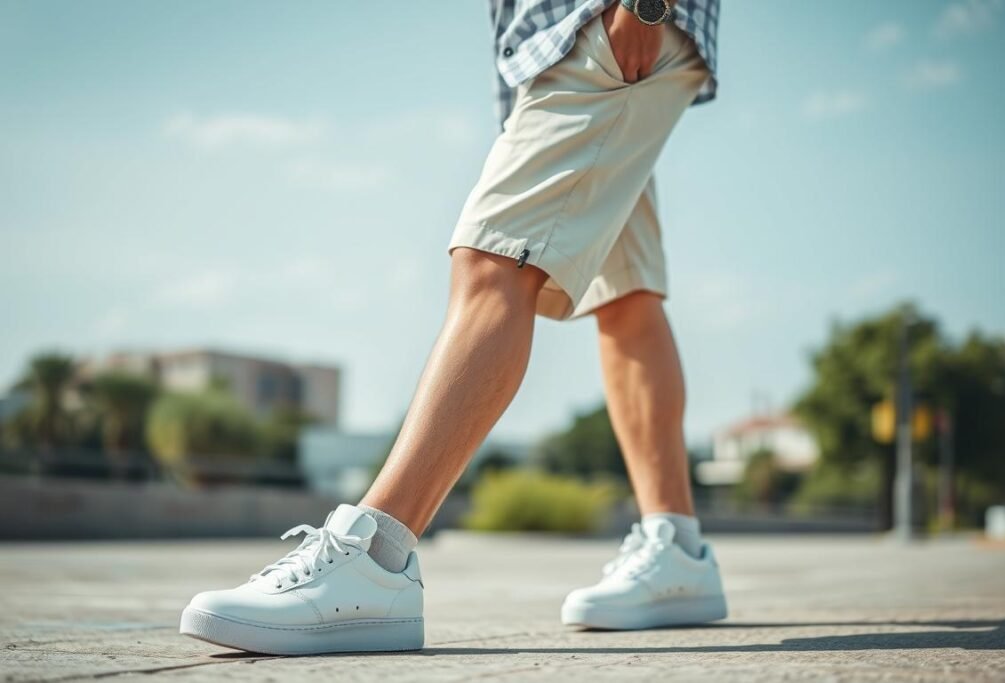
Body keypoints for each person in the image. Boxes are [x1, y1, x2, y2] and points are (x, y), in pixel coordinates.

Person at [180, 0, 724, 655]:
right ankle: (679, 551)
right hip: (568, 47)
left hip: (603, 29)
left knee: (494, 262)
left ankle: (375, 556)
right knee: (625, 292)